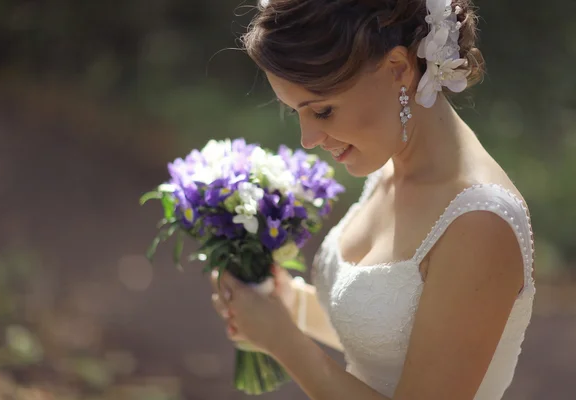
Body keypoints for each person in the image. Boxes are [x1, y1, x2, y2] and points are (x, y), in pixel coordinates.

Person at [210, 0, 536, 399]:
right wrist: (285, 303)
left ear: (398, 67)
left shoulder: (480, 223)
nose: (307, 140)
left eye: (323, 111)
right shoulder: (390, 167)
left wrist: (285, 343)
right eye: (296, 111)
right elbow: (387, 339)